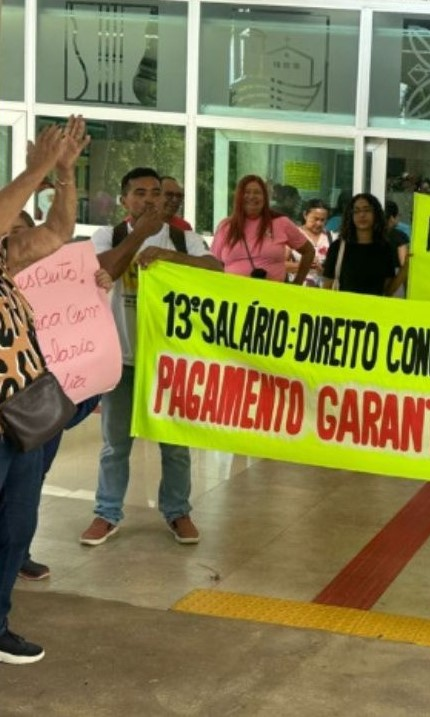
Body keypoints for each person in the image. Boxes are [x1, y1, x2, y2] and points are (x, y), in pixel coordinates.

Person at [82, 167, 223, 547]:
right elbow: (103, 270)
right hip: (122, 359)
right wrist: (140, 236)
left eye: (156, 193)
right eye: (140, 193)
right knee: (115, 444)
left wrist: (166, 255)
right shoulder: (106, 236)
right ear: (124, 199)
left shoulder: (182, 237)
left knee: (175, 444)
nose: (149, 199)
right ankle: (106, 512)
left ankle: (177, 511)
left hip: (170, 362)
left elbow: (216, 269)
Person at [0, 115, 89, 664]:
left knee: (16, 526)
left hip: (23, 419)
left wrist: (64, 177)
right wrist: (34, 170)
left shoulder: (6, 262)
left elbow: (57, 233)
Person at [4, 213, 111, 581]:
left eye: (24, 234)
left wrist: (94, 287)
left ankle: (18, 554)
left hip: (42, 403)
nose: (18, 242)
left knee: (28, 485)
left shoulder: (58, 277)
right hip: (13, 404)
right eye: (9, 235)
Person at [211, 175, 314, 284]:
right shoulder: (226, 226)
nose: (252, 196)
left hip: (273, 296)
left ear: (265, 198)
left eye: (257, 193)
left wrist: (297, 283)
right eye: (247, 192)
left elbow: (309, 251)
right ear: (239, 197)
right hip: (234, 295)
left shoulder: (281, 222)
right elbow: (213, 263)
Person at [321, 193, 406, 296]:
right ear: (350, 216)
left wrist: (406, 268)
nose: (362, 215)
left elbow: (387, 290)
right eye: (356, 211)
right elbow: (326, 288)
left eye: (367, 210)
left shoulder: (384, 248)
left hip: (373, 310)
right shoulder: (338, 247)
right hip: (343, 310)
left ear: (376, 214)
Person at [286, 199, 331, 286]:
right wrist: (304, 265)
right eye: (316, 219)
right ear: (305, 215)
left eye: (323, 220)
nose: (319, 223)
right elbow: (280, 264)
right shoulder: (293, 235)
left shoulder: (331, 237)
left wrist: (321, 269)